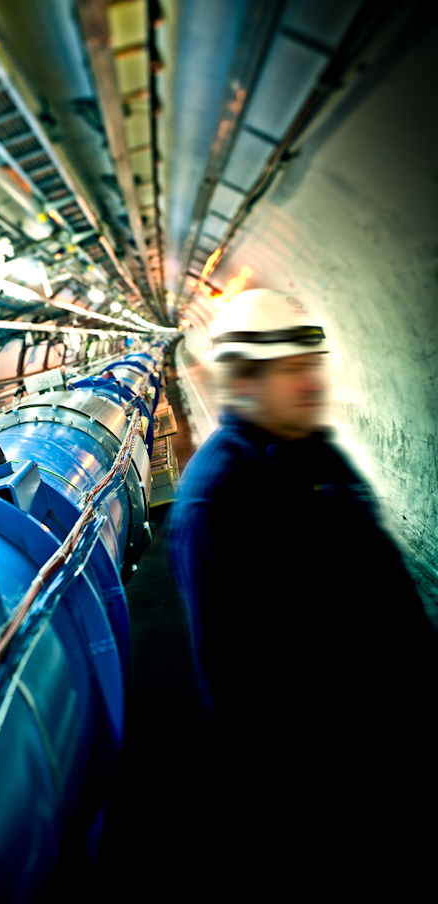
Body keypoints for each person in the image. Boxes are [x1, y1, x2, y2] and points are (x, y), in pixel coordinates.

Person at [168, 288, 438, 891]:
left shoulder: (314, 450)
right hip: (328, 786)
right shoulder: (217, 499)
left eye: (310, 365)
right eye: (291, 371)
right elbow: (238, 689)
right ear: (244, 383)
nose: (311, 382)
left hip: (396, 746)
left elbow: (385, 582)